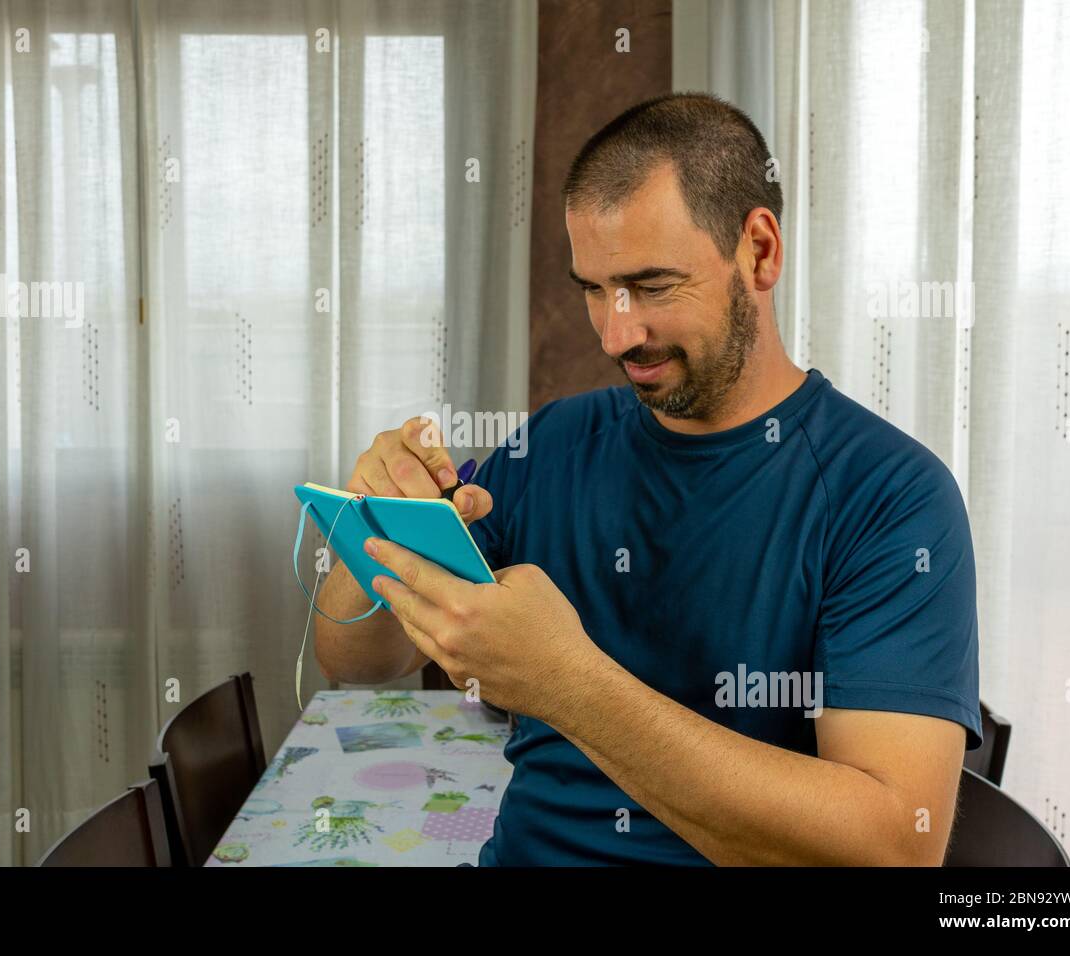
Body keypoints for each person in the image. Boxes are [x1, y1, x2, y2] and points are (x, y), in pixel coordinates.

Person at [313, 92, 981, 866]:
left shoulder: (891, 498)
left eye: (652, 286)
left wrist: (567, 683)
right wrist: (374, 531)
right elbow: (358, 663)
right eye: (593, 289)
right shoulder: (554, 443)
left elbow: (893, 851)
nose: (615, 333)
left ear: (759, 252)